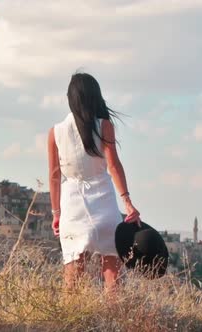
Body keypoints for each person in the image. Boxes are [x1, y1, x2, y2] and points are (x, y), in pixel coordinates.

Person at [47, 72, 141, 290]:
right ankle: (112, 320)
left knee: (72, 280)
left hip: (72, 205)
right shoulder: (104, 126)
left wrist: (56, 214)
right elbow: (114, 165)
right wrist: (127, 203)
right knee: (112, 276)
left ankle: (70, 322)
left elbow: (54, 175)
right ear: (95, 97)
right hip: (104, 204)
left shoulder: (55, 132)